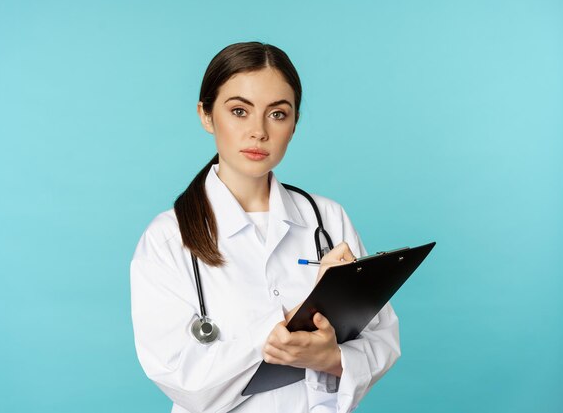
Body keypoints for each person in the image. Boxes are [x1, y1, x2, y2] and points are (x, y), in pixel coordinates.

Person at [130, 42, 400, 413]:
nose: (258, 131)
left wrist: (331, 359)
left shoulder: (327, 219)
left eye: (277, 114)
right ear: (206, 116)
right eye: (239, 111)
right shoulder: (166, 238)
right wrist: (283, 330)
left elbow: (383, 339)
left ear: (294, 123)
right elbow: (181, 380)